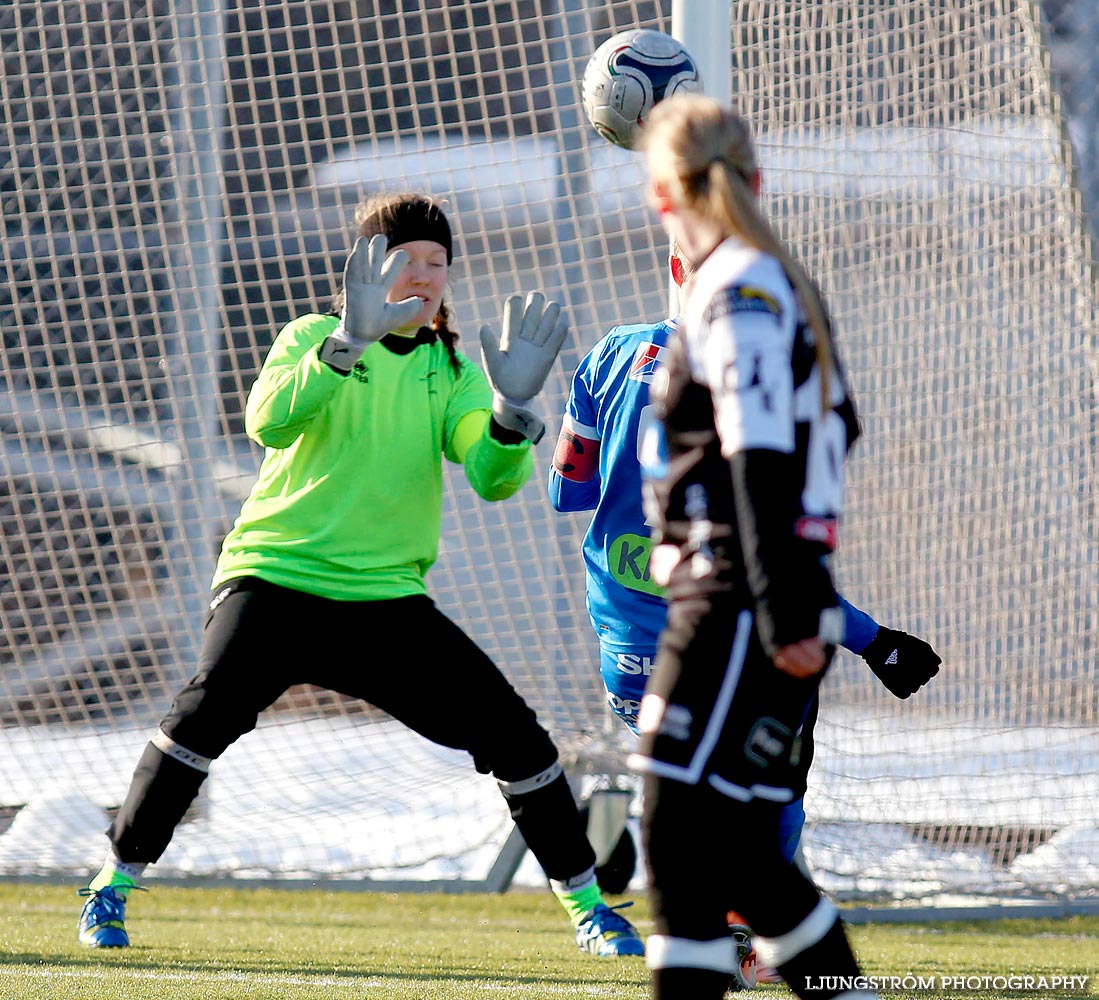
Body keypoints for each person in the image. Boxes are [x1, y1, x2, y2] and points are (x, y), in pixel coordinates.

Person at [77, 192, 644, 960]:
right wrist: (345, 343)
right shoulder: (314, 335)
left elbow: (491, 474)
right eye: (404, 259)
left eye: (437, 262)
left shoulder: (449, 368)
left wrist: (511, 413)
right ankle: (110, 889)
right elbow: (269, 421)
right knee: (199, 722)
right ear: (366, 268)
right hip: (274, 579)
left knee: (518, 740)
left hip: (385, 602)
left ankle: (591, 911)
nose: (422, 275)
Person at [547, 242, 940, 987]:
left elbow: (567, 494)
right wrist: (867, 637)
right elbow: (763, 549)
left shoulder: (608, 354)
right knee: (757, 811)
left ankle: (740, 939)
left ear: (671, 270)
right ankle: (783, 954)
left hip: (631, 638)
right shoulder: (761, 381)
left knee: (691, 815)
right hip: (736, 635)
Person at [627, 92, 886, 1000]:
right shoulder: (764, 282)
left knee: (668, 820)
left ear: (660, 195)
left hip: (743, 596)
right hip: (749, 588)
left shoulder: (737, 286)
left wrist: (780, 603)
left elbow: (758, 449)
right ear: (756, 179)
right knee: (731, 849)